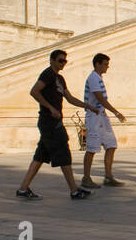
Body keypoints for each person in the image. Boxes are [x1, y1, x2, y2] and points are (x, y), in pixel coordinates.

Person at [17, 49, 100, 200]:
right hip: (49, 122)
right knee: (63, 153)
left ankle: (23, 188)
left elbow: (69, 98)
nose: (63, 63)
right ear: (52, 60)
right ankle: (74, 190)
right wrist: (50, 108)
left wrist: (88, 106)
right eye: (60, 60)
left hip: (53, 122)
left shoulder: (60, 79)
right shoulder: (47, 74)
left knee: (40, 156)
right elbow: (34, 91)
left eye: (65, 61)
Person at [80, 53, 126, 189]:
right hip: (94, 117)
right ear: (97, 64)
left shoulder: (98, 77)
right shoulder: (93, 78)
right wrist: (116, 112)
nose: (107, 66)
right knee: (92, 148)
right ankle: (86, 178)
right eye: (105, 64)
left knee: (111, 144)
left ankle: (108, 176)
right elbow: (100, 98)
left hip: (102, 116)